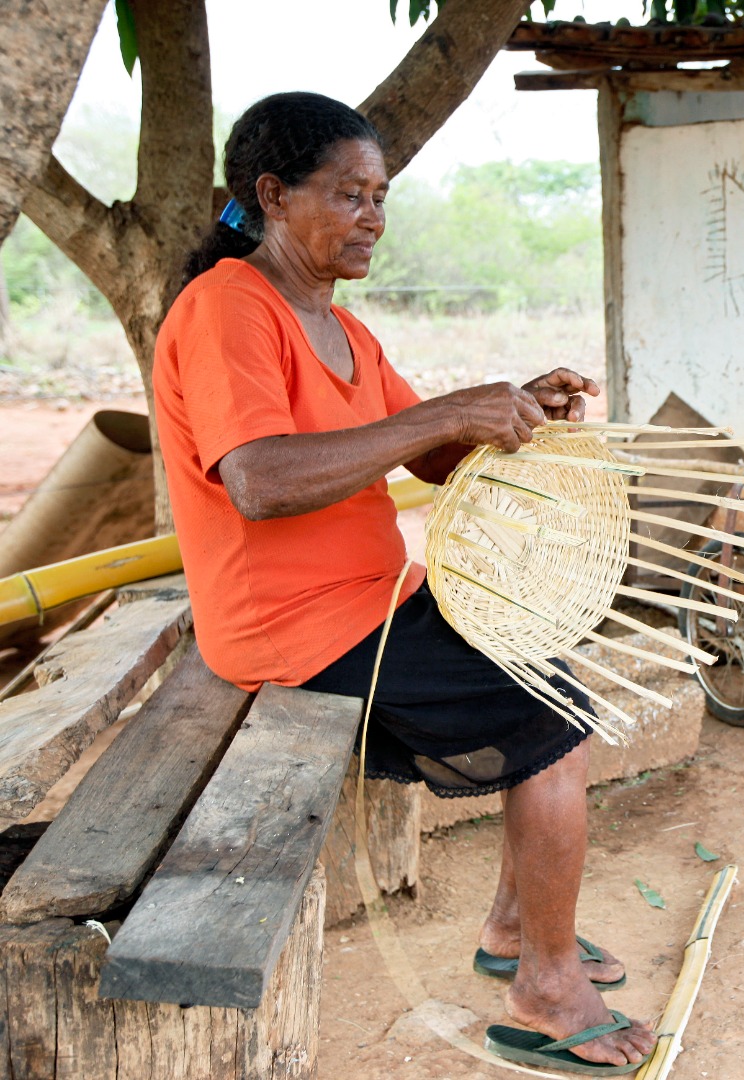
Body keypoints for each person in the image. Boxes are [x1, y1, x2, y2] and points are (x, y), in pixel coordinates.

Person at [154, 92, 654, 1074]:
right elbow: (259, 481)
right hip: (292, 629)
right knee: (551, 727)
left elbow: (427, 460)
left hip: (370, 600)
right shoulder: (226, 311)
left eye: (381, 197)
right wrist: (442, 415)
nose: (373, 218)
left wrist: (509, 411)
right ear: (273, 196)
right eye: (350, 195)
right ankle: (547, 984)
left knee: (554, 677)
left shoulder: (337, 326)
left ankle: (516, 928)